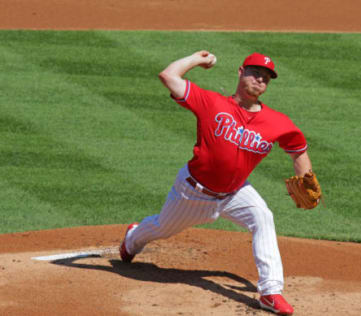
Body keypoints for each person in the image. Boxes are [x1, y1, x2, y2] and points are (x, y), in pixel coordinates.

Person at [119, 50, 315, 315]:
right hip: (192, 192)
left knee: (263, 218)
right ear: (240, 72)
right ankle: (132, 238)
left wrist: (305, 178)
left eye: (266, 77)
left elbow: (298, 150)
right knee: (161, 227)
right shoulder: (210, 102)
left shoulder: (277, 122)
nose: (260, 80)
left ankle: (270, 292)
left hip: (236, 192)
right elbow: (168, 75)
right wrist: (197, 60)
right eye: (255, 73)